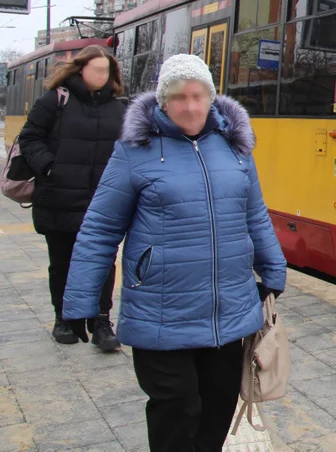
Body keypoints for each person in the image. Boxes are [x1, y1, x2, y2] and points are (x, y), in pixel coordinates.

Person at [63, 53, 287, 452]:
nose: (190, 106)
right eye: (179, 96)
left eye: (198, 95)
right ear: (163, 101)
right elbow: (99, 230)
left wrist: (273, 270)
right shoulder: (135, 151)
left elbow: (254, 214)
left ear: (212, 98)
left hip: (225, 311)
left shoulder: (235, 149)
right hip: (161, 310)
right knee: (177, 408)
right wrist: (80, 299)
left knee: (216, 408)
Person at [17, 44, 126, 351]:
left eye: (107, 71)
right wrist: (49, 167)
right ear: (81, 70)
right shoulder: (55, 101)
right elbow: (29, 137)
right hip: (59, 197)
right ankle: (63, 319)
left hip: (101, 202)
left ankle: (101, 322)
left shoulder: (119, 108)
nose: (102, 76)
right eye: (97, 70)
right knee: (62, 261)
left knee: (104, 262)